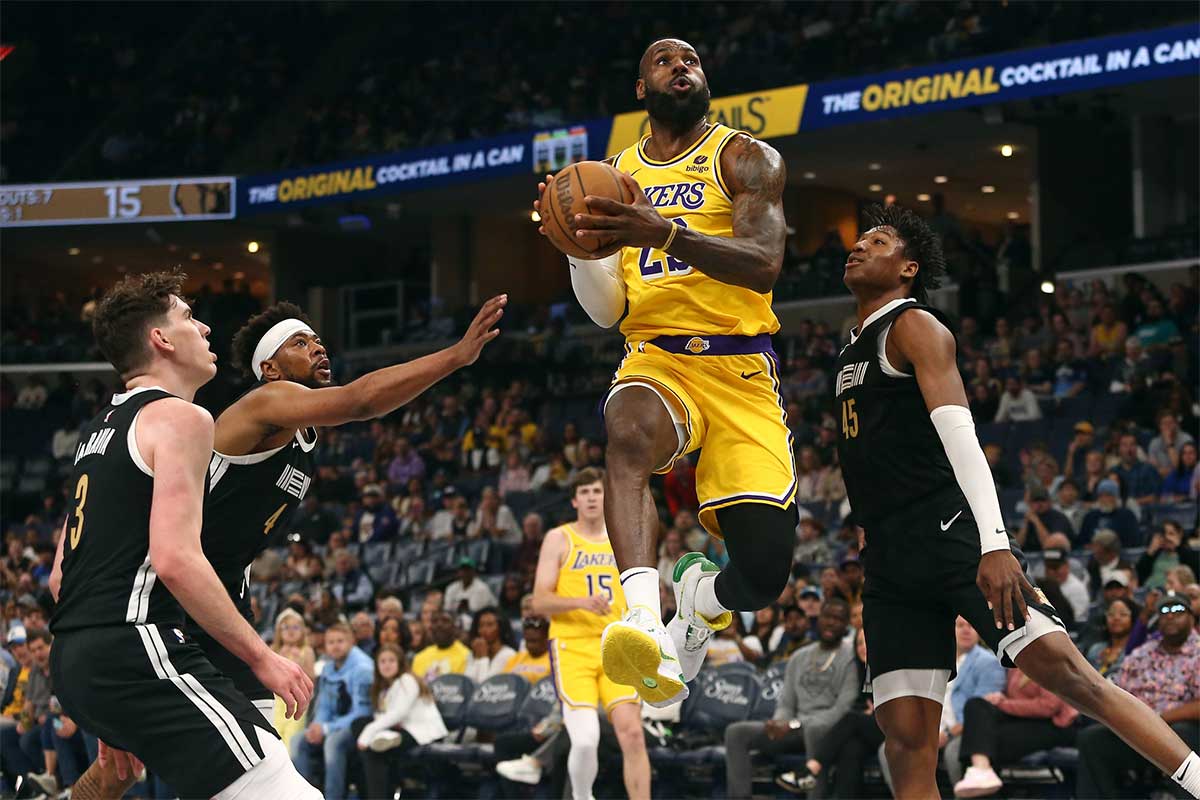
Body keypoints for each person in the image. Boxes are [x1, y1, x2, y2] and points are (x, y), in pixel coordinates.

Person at [833, 207, 1199, 799]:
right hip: (891, 562)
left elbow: (962, 439)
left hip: (951, 534)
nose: (857, 248)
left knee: (1072, 677)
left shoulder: (916, 326)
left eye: (876, 242)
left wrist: (995, 544)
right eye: (858, 240)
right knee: (904, 741)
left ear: (907, 268)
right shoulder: (848, 347)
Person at [535, 38, 795, 707]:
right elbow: (607, 311)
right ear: (641, 90)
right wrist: (574, 248)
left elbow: (765, 261)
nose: (683, 67)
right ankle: (643, 619)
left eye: (693, 61)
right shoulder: (614, 176)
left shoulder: (744, 157)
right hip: (657, 354)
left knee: (765, 572)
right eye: (665, 62)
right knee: (626, 431)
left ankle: (703, 601)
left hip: (740, 367)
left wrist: (666, 233)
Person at [46, 271, 317, 800]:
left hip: (77, 659)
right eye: (189, 317)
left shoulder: (101, 429)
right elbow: (174, 559)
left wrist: (110, 702)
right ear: (162, 340)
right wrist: (263, 657)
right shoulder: (183, 419)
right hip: (135, 645)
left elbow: (61, 576)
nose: (207, 327)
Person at [191, 294, 504, 728]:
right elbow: (360, 401)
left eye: (317, 340)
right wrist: (455, 356)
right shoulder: (266, 401)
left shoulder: (304, 433)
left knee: (251, 746)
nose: (318, 348)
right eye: (299, 344)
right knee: (179, 754)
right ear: (271, 369)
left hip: (222, 590)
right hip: (177, 587)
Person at [531, 468, 649, 800]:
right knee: (585, 739)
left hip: (618, 646)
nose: (592, 497)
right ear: (574, 500)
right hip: (573, 646)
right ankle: (583, 796)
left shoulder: (623, 535)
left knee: (634, 735)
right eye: (584, 492)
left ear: (606, 496)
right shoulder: (559, 538)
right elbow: (539, 601)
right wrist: (582, 602)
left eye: (597, 491)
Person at [723, 599, 858, 800]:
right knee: (736, 733)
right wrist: (779, 723)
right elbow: (786, 702)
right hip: (794, 730)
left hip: (828, 733)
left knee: (814, 730)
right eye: (827, 617)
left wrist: (794, 724)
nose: (830, 623)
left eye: (838, 619)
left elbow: (842, 710)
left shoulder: (851, 658)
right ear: (818, 619)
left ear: (847, 624)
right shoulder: (800, 656)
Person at [1077, 594, 1200, 798]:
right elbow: (1117, 694)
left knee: (1184, 731)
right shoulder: (1141, 653)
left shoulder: (1197, 652)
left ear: (1192, 618)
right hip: (1138, 731)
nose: (1170, 617)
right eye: (1164, 612)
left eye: (1177, 611)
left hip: (1179, 732)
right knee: (1091, 739)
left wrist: (1158, 720)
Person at [774, 627, 879, 798]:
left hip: (893, 730)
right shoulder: (858, 670)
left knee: (852, 719)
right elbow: (858, 705)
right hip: (866, 730)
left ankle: (811, 768)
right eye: (859, 643)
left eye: (867, 643)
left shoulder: (887, 670)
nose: (862, 647)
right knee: (851, 749)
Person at [952, 667, 1079, 797]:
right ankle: (981, 769)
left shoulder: (1049, 662)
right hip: (1024, 719)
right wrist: (1000, 697)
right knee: (976, 705)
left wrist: (1004, 704)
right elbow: (1016, 696)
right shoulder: (1017, 661)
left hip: (1055, 725)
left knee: (983, 742)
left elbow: (1049, 706)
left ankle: (980, 771)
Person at [290, 621, 374, 800]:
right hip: (333, 725)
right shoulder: (328, 668)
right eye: (331, 642)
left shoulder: (363, 669)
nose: (335, 646)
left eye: (340, 641)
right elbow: (325, 706)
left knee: (333, 743)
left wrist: (326, 729)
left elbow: (363, 712)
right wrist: (317, 726)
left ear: (352, 642)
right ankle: (305, 796)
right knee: (297, 740)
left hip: (359, 727)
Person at [353, 644, 447, 800]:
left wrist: (368, 732)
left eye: (391, 660)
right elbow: (382, 715)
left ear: (400, 662)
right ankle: (385, 740)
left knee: (373, 751)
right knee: (359, 725)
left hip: (421, 731)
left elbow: (398, 713)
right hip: (400, 728)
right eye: (382, 661)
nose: (387, 665)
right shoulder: (383, 688)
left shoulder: (407, 680)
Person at [1138, 521, 1200, 590]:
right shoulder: (1155, 554)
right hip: (1149, 591)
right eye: (1164, 534)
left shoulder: (1188, 555)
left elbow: (1193, 577)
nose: (1167, 537)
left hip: (1174, 593)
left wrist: (1178, 546)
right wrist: (1150, 551)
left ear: (1180, 535)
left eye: (1171, 534)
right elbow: (1138, 576)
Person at [1084, 596, 1137, 678]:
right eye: (1111, 614)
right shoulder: (1095, 650)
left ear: (1133, 619)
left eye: (1123, 614)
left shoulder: (1137, 651)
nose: (1116, 618)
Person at [411, 611, 470, 682]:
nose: (439, 625)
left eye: (445, 621)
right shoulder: (419, 657)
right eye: (435, 621)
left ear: (454, 627)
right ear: (430, 628)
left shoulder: (467, 656)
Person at [464, 606, 518, 683]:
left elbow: (487, 685)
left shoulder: (508, 655)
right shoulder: (473, 653)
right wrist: (476, 658)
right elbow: (467, 683)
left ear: (501, 628)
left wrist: (483, 658)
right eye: (480, 625)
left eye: (490, 625)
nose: (484, 630)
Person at [503, 616, 552, 683]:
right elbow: (504, 683)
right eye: (528, 641)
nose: (530, 645)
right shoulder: (515, 659)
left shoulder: (554, 661)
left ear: (547, 638)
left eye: (534, 641)